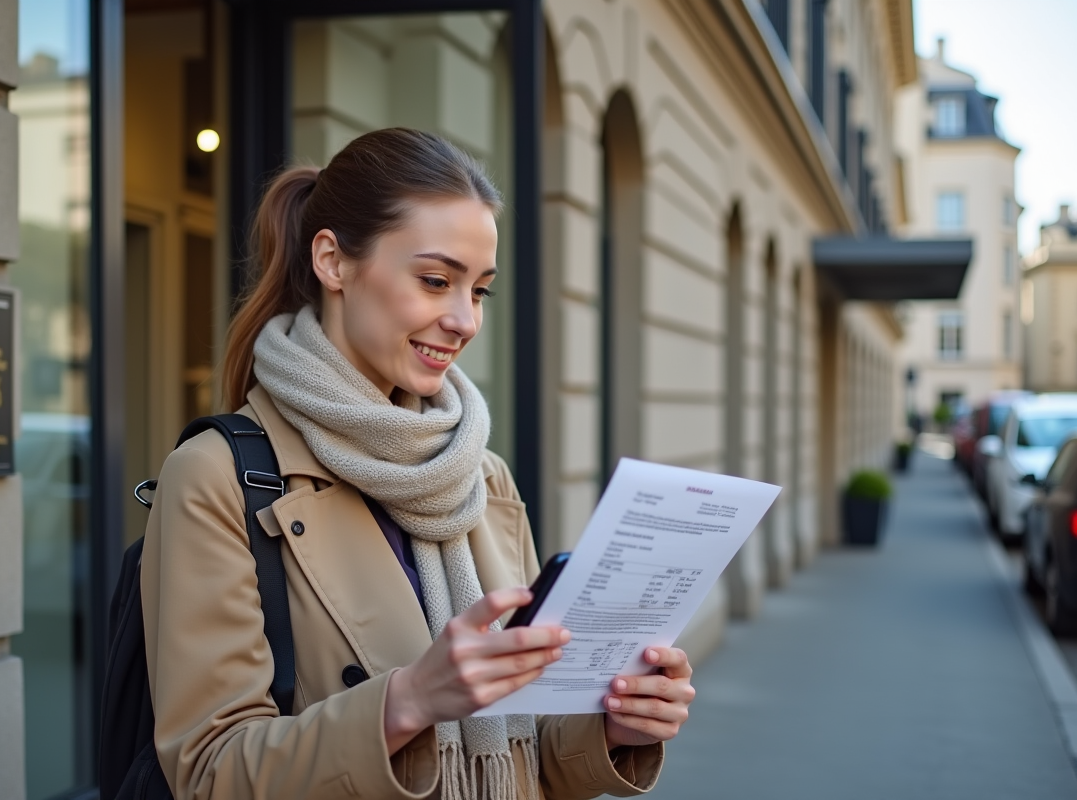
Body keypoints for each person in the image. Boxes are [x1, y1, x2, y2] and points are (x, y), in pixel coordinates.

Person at [141, 127, 696, 800]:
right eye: (436, 281)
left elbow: (525, 758)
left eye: (480, 291)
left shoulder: (479, 473)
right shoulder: (217, 475)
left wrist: (613, 730)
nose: (464, 319)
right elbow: (210, 772)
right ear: (333, 262)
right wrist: (406, 702)